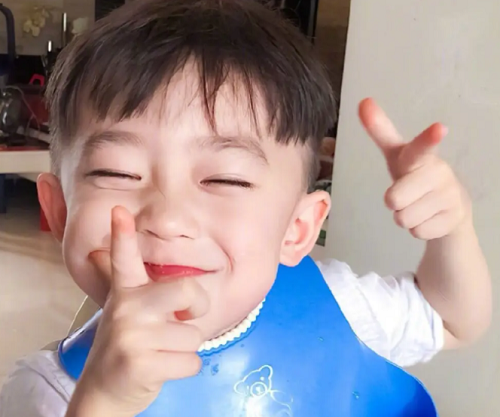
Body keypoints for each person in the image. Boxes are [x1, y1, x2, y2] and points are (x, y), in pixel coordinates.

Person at [0, 0, 491, 416]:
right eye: (118, 173)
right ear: (60, 211)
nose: (168, 219)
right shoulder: (49, 393)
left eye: (225, 179)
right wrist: (104, 401)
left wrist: (453, 228)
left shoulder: (332, 302)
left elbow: (452, 322)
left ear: (297, 229)